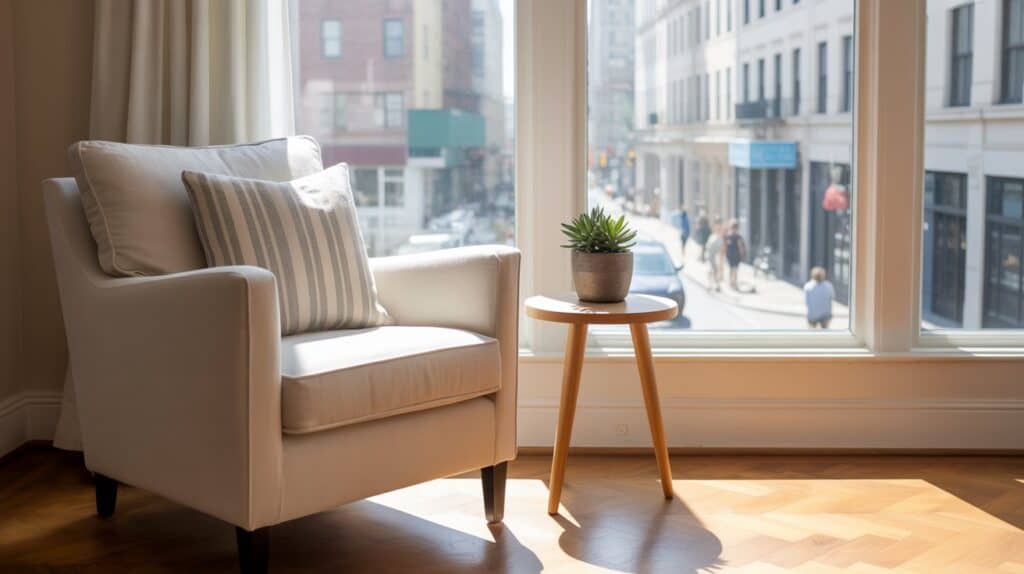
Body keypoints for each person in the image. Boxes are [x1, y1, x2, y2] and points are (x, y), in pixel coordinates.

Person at [723, 219, 746, 290]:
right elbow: (726, 246)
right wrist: (742, 255)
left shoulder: (733, 237)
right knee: (734, 269)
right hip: (733, 256)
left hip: (733, 255)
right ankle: (733, 282)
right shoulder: (733, 237)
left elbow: (740, 247)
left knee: (733, 269)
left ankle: (732, 282)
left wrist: (742, 254)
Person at [705, 223, 724, 291]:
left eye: (719, 229)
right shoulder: (712, 236)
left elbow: (721, 250)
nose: (718, 230)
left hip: (715, 257)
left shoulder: (720, 239)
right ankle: (711, 285)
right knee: (710, 271)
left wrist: (720, 260)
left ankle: (716, 285)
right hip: (710, 256)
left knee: (715, 271)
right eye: (717, 229)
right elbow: (708, 246)